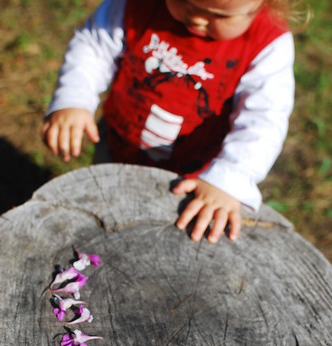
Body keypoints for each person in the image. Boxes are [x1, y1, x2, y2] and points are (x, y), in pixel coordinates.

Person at [42, 0, 302, 243]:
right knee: (102, 214)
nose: (198, 18)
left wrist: (229, 178)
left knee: (164, 239)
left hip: (194, 178)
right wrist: (73, 99)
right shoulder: (137, 6)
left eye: (219, 15)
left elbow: (264, 117)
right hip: (118, 146)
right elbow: (94, 46)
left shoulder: (267, 43)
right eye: (184, 1)